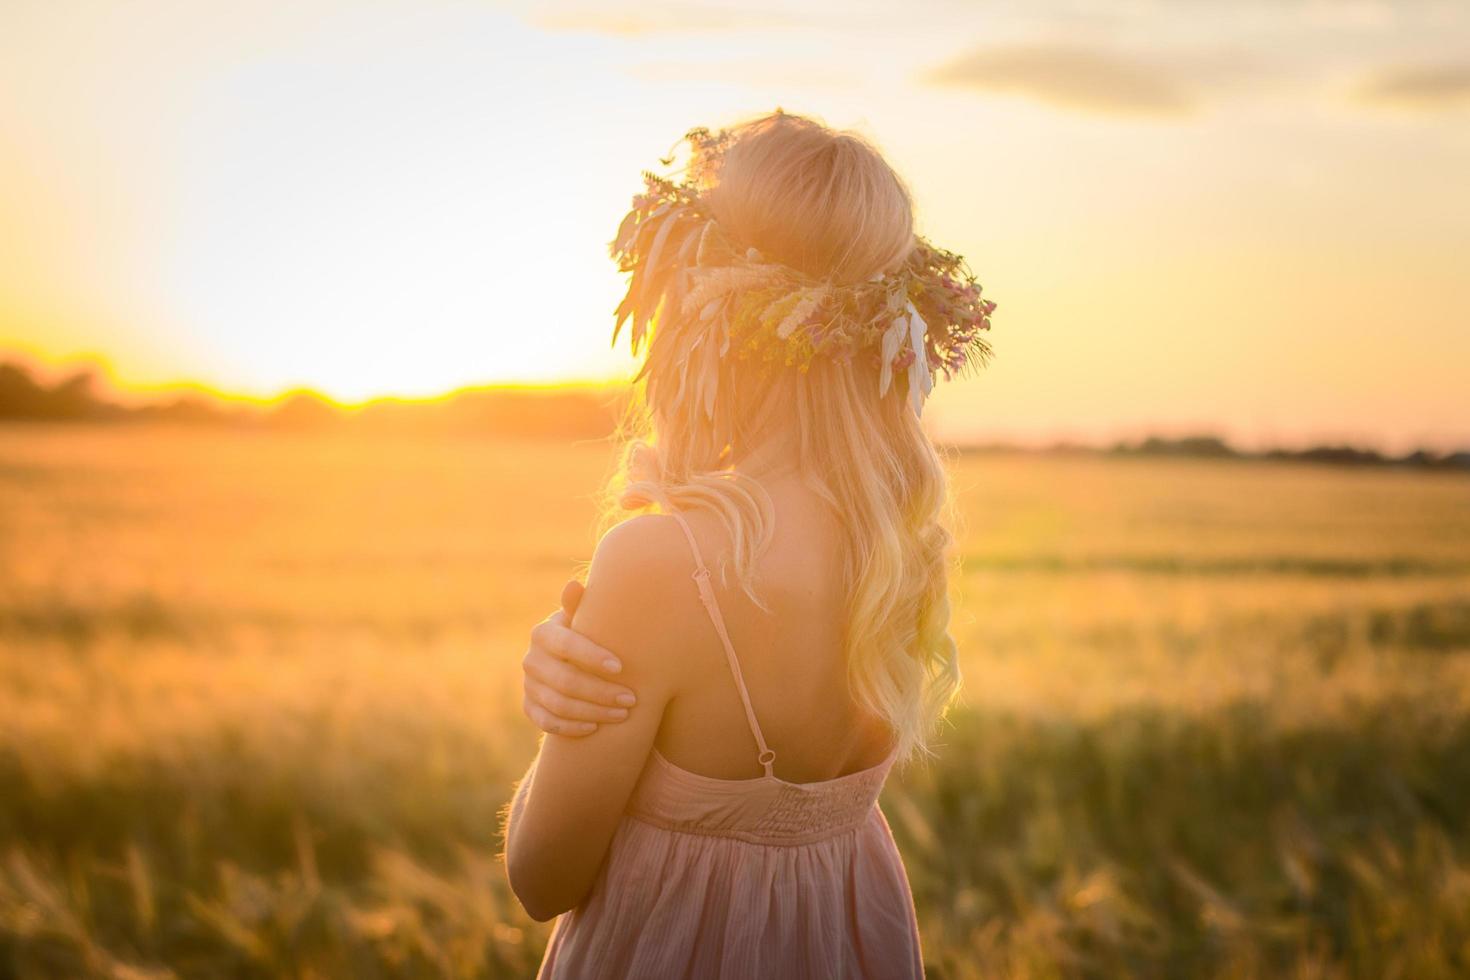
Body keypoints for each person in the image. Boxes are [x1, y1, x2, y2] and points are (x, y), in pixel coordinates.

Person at [502, 108, 997, 979]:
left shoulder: (660, 564)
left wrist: (550, 717)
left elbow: (542, 877)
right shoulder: (902, 546)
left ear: (698, 314)